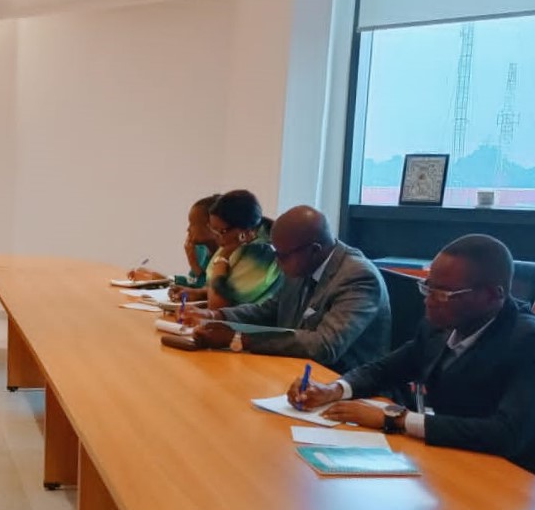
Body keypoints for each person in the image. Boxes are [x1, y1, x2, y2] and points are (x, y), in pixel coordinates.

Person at [287, 234, 535, 472]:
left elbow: (506, 434)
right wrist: (334, 389)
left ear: (492, 295)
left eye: (443, 294)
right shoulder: (438, 327)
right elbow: (384, 370)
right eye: (428, 288)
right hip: (446, 460)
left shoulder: (526, 341)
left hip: (505, 475)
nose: (429, 301)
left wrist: (397, 420)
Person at [184, 206, 391, 373]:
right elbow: (270, 310)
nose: (277, 261)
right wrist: (215, 315)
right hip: (294, 370)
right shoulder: (302, 263)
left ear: (315, 250)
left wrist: (239, 339)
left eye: (282, 256)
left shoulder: (358, 278)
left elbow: (325, 345)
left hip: (342, 384)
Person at [197, 190, 282, 309]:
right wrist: (197, 293)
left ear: (242, 232)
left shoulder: (261, 254)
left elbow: (218, 306)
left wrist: (223, 257)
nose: (215, 237)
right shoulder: (235, 243)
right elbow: (219, 287)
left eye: (220, 231)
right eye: (213, 229)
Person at [128, 194, 221, 292]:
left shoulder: (224, 256)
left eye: (192, 224)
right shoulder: (202, 250)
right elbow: (192, 282)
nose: (188, 229)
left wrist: (194, 265)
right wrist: (164, 279)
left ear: (211, 227)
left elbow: (208, 289)